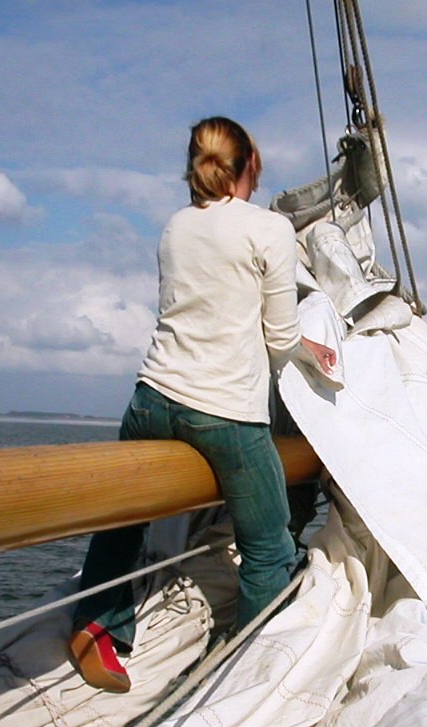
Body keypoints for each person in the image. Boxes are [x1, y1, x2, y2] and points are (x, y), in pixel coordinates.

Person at [69, 116, 336, 693]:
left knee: (123, 523)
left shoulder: (175, 227)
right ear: (251, 166)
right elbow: (279, 339)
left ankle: (95, 629)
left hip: (150, 401)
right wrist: (311, 352)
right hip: (224, 414)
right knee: (269, 547)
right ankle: (246, 676)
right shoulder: (269, 229)